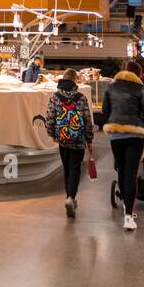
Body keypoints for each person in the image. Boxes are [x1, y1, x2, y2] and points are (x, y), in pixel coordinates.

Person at [100, 59, 144, 231]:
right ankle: (128, 216)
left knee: (122, 169)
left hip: (116, 134)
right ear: (138, 74)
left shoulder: (111, 86)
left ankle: (126, 207)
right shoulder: (140, 88)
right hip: (135, 134)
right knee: (131, 173)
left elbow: (105, 110)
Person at [44, 68, 93, 217]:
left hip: (63, 140)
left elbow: (50, 118)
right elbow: (87, 120)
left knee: (66, 168)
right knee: (75, 168)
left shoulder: (55, 97)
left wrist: (52, 134)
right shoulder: (81, 98)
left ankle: (68, 197)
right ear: (75, 81)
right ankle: (71, 197)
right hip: (78, 140)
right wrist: (89, 139)